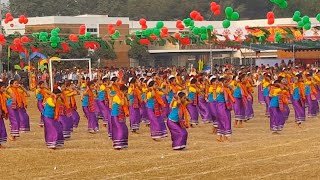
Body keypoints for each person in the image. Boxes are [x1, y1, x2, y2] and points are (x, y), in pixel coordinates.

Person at [216, 76, 235, 142]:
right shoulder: (219, 88)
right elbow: (221, 91)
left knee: (227, 119)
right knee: (223, 119)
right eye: (225, 82)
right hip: (220, 105)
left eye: (227, 82)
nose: (227, 83)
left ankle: (222, 135)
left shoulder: (227, 89)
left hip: (226, 105)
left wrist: (230, 88)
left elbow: (231, 94)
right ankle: (225, 136)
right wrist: (223, 86)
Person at [110, 84, 129, 150]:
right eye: (125, 92)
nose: (126, 93)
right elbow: (122, 103)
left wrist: (126, 97)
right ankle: (118, 144)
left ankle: (122, 144)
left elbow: (128, 104)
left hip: (121, 115)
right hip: (115, 115)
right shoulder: (116, 97)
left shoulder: (122, 96)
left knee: (124, 129)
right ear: (122, 91)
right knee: (119, 129)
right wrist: (124, 97)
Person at [0, 82, 8, 148]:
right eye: (3, 87)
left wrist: (4, 112)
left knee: (1, 128)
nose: (4, 89)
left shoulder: (2, 94)